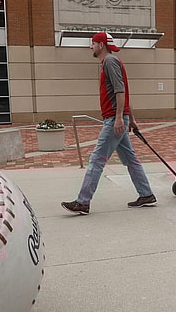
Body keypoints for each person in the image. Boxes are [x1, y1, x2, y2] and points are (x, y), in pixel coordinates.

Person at [61, 32, 156, 215]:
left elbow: (120, 92)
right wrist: (131, 118)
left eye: (93, 43)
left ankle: (83, 202)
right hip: (118, 117)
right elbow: (124, 93)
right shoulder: (111, 62)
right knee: (131, 159)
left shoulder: (110, 62)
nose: (91, 47)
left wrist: (120, 117)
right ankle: (146, 194)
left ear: (101, 45)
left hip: (114, 119)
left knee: (96, 159)